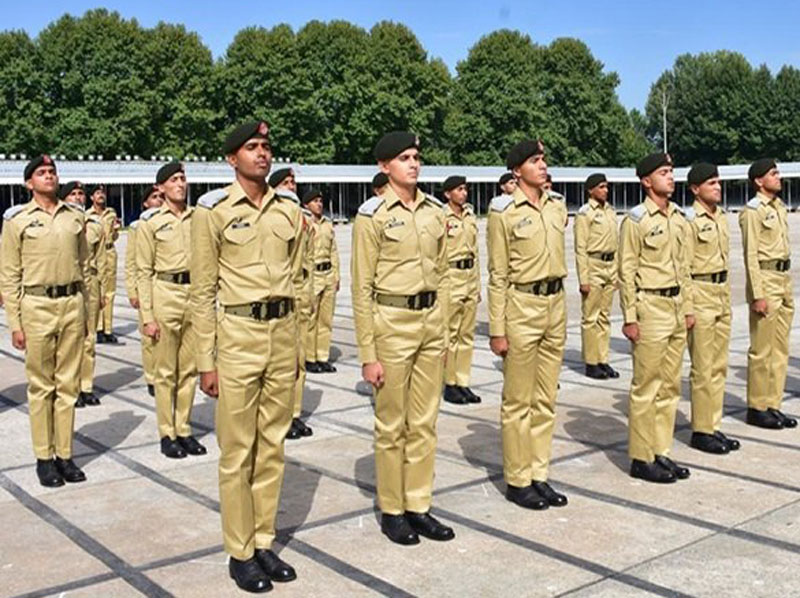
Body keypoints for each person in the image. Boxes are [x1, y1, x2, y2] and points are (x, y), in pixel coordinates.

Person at [191, 120, 301, 593]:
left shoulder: (289, 208)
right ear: (231, 158)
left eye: (266, 146)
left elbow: (297, 280)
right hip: (237, 336)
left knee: (272, 446)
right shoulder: (212, 210)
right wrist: (206, 361)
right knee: (238, 452)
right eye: (252, 147)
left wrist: (297, 347)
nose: (262, 153)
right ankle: (240, 552)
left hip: (282, 334)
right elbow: (202, 292)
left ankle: (263, 541)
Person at [351, 131, 455, 545]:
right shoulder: (372, 216)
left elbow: (443, 275)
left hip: (430, 323)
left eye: (416, 157)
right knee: (392, 424)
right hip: (391, 324)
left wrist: (443, 333)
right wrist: (368, 353)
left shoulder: (433, 211)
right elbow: (361, 288)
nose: (413, 164)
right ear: (384, 166)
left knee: (425, 423)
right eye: (404, 158)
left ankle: (419, 505)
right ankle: (393, 510)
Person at [487, 139, 569, 511]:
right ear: (517, 170)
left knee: (545, 399)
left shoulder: (557, 205)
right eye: (535, 160)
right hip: (522, 306)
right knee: (518, 401)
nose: (543, 165)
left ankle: (539, 474)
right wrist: (497, 328)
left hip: (555, 305)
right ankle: (518, 479)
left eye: (544, 159)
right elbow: (498, 274)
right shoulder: (503, 212)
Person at [0, 156, 88, 487]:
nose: (49, 176)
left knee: (68, 385)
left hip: (71, 303)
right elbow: (9, 275)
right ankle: (44, 458)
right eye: (41, 173)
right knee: (41, 386)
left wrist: (87, 313)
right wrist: (15, 324)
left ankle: (64, 454)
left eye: (52, 172)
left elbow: (84, 266)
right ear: (29, 183)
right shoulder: (17, 220)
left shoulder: (74, 217)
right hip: (36, 305)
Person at [619, 152, 692, 484]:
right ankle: (641, 456)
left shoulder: (678, 217)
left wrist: (688, 309)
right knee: (646, 386)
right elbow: (626, 271)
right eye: (664, 172)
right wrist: (630, 317)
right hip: (650, 307)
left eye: (671, 172)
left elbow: (685, 268)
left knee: (670, 386)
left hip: (676, 307)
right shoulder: (636, 221)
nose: (671, 177)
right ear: (647, 181)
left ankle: (661, 451)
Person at [137, 162, 206, 459]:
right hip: (165, 293)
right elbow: (143, 272)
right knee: (165, 372)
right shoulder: (151, 222)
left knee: (189, 370)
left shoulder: (199, 218)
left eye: (182, 179)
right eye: (174, 180)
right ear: (161, 187)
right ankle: (167, 433)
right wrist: (147, 317)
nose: (180, 184)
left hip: (194, 295)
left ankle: (184, 429)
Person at [684, 163, 741, 453]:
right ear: (696, 189)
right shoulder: (689, 221)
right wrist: (688, 308)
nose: (718, 187)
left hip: (720, 294)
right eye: (711, 183)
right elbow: (683, 268)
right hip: (700, 294)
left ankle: (713, 425)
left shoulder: (721, 217)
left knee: (719, 366)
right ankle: (701, 430)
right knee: (703, 367)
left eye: (718, 182)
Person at [740, 158, 796, 429]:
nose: (778, 177)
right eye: (773, 174)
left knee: (780, 349)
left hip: (783, 279)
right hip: (766, 279)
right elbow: (750, 255)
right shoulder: (753, 211)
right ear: (759, 181)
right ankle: (757, 407)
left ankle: (773, 404)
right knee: (762, 350)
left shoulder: (779, 206)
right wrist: (757, 294)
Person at [268, 167, 315, 440]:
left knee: (300, 360)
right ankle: (281, 415)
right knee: (280, 365)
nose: (291, 186)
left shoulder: (303, 218)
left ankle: (294, 412)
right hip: (280, 296)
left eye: (293, 182)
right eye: (285, 182)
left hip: (300, 293)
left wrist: (308, 295)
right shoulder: (270, 216)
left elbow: (306, 259)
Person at [61, 181, 107, 407]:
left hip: (91, 285)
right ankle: (69, 387)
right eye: (72, 194)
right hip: (69, 285)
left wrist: (103, 290)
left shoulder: (95, 226)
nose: (78, 197)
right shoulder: (61, 224)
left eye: (80, 194)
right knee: (69, 342)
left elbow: (101, 260)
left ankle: (86, 386)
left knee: (89, 339)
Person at [574, 173, 619, 380]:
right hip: (593, 265)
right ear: (590, 190)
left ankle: (603, 359)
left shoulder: (610, 211)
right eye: (601, 187)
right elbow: (580, 248)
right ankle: (591, 362)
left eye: (606, 187)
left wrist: (616, 272)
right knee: (590, 317)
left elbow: (615, 243)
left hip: (609, 265)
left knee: (604, 317)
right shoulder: (585, 213)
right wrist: (583, 279)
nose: (605, 191)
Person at [441, 175, 481, 405]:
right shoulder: (441, 217)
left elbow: (475, 252)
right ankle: (450, 383)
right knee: (450, 335)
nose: (463, 193)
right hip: (451, 277)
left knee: (466, 335)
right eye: (459, 189)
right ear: (448, 194)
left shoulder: (470, 215)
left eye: (465, 189)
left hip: (469, 277)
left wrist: (477, 284)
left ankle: (462, 382)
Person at [125, 185, 164, 398]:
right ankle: (151, 377)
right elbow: (132, 261)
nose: (159, 200)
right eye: (154, 197)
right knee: (149, 338)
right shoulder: (138, 227)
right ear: (145, 203)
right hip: (146, 286)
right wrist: (133, 291)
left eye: (161, 196)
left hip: (167, 288)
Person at [304, 188, 340, 375]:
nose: (319, 204)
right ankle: (310, 358)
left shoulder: (327, 224)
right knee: (311, 319)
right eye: (315, 201)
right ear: (306, 205)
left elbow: (333, 250)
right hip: (313, 276)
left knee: (326, 319)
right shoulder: (305, 224)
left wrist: (336, 275)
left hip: (328, 275)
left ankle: (322, 357)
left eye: (320, 201)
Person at [88, 184, 120, 344]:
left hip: (109, 252)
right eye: (97, 193)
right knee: (97, 291)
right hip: (95, 254)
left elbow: (114, 237)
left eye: (102, 193)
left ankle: (108, 329)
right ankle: (98, 327)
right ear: (91, 198)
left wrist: (115, 231)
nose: (101, 195)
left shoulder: (111, 213)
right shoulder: (88, 215)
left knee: (109, 292)